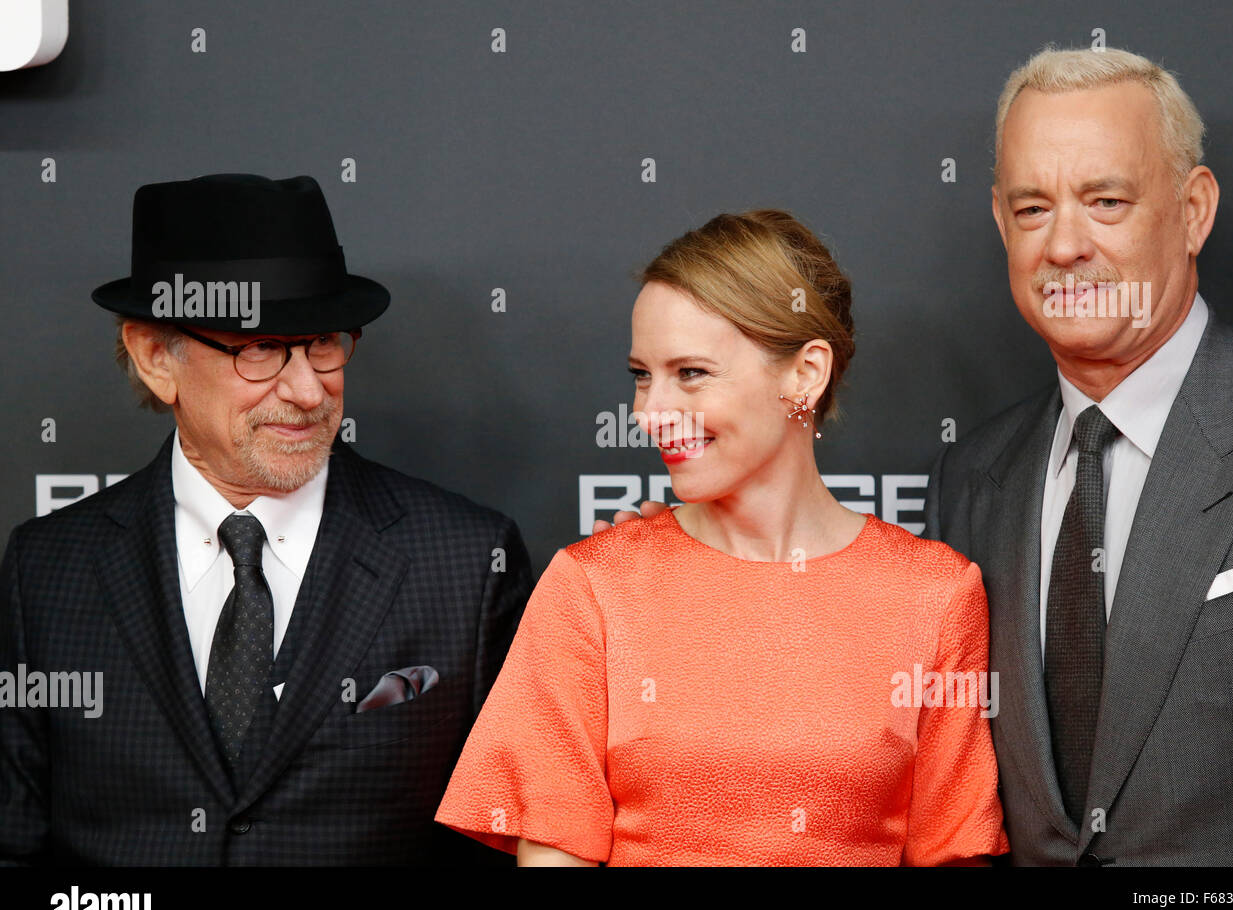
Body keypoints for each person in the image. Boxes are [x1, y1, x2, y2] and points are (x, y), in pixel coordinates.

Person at [435, 209, 1008, 865]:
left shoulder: (934, 595)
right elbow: (553, 852)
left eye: (691, 373)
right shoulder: (592, 587)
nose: (649, 413)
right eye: (641, 375)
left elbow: (953, 851)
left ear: (805, 375)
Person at [0, 173, 533, 865]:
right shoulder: (48, 569)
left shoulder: (466, 560)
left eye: (324, 343)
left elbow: (507, 841)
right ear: (156, 356)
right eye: (259, 349)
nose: (309, 389)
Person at [924, 47, 1233, 864]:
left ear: (1194, 210)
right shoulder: (970, 479)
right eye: (1032, 210)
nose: (1064, 246)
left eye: (1106, 201)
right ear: (1000, 222)